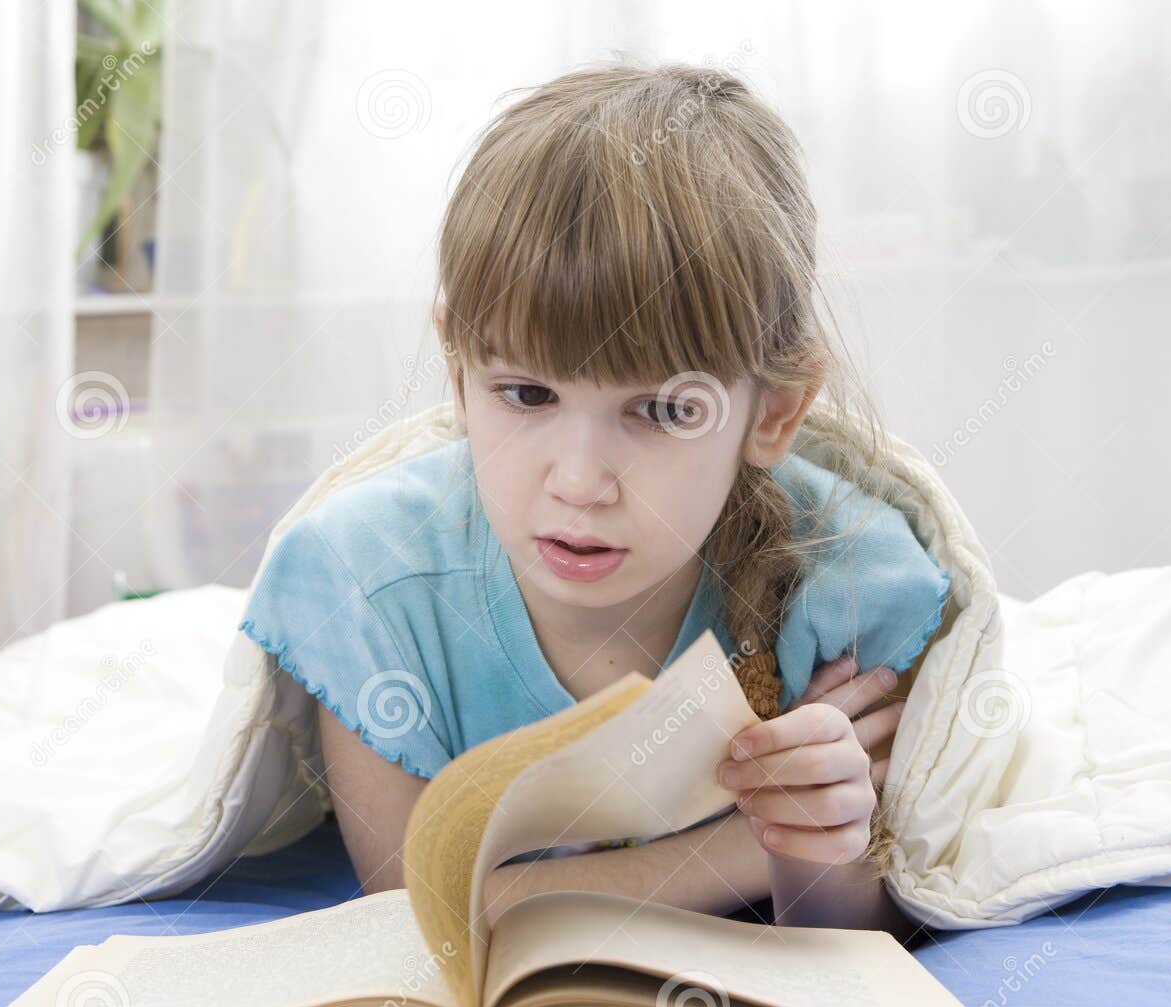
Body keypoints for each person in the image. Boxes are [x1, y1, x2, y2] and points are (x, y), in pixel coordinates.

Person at [239, 61, 951, 936]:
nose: (578, 483)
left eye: (660, 410)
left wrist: (812, 844)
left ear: (774, 412)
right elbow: (413, 923)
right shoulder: (360, 581)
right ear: (458, 375)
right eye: (527, 395)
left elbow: (855, 938)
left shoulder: (849, 588)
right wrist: (735, 850)